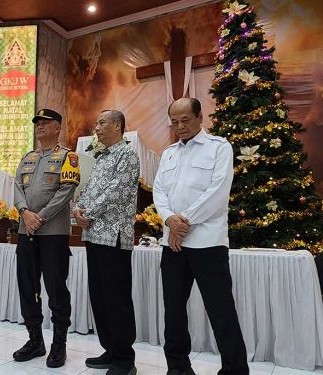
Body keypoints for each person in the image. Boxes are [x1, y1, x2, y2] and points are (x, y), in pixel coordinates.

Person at [153, 98, 249, 375]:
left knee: (221, 311)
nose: (179, 126)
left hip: (208, 243)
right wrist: (170, 219)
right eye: (174, 121)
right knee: (173, 311)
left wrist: (183, 223)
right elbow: (159, 191)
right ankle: (178, 368)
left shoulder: (218, 148)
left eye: (185, 120)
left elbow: (218, 192)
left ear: (199, 117)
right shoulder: (169, 153)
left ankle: (235, 370)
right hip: (172, 245)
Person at [73, 110, 140, 375]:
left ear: (118, 125)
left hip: (114, 238)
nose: (97, 128)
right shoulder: (100, 157)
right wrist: (78, 208)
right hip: (93, 236)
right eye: (96, 123)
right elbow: (88, 189)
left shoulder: (127, 155)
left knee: (117, 299)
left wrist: (87, 212)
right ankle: (110, 349)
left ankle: (125, 359)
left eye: (102, 123)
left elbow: (117, 192)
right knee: (99, 297)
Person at [12, 109, 80, 368]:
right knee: (28, 288)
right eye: (37, 123)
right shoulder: (27, 157)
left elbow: (66, 192)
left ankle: (58, 344)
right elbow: (17, 186)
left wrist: (38, 217)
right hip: (24, 232)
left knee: (56, 289)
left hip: (53, 234)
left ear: (57, 128)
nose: (39, 126)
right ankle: (35, 340)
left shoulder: (67, 157)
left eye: (45, 123)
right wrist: (24, 213)